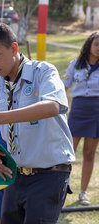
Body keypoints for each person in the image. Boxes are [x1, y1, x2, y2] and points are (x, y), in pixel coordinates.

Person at [0, 22, 75, 224]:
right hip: (15, 175)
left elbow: (52, 107)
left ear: (14, 48)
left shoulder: (43, 72)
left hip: (49, 174)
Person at [62, 32, 99, 206]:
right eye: (97, 44)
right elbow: (64, 87)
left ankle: (83, 192)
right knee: (69, 151)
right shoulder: (75, 64)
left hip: (96, 111)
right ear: (89, 45)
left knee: (90, 153)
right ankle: (63, 186)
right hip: (78, 110)